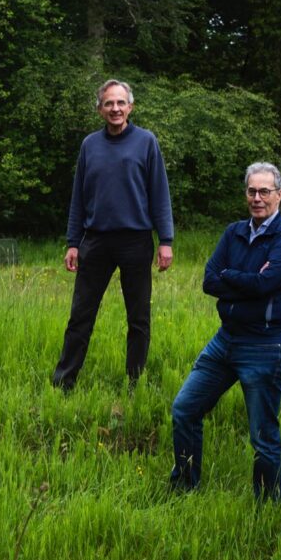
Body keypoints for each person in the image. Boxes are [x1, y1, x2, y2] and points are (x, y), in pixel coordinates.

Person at [170, 162, 281, 501]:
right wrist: (244, 280)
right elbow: (209, 280)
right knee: (185, 409)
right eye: (251, 191)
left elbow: (265, 284)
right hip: (225, 340)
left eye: (264, 192)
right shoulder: (234, 232)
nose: (257, 198)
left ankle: (267, 508)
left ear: (279, 195)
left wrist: (231, 276)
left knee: (262, 435)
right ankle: (185, 488)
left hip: (266, 344)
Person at [52, 79, 174, 392]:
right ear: (100, 109)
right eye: (109, 104)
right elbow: (78, 197)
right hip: (95, 241)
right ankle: (64, 382)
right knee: (80, 315)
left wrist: (165, 241)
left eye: (121, 103)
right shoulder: (89, 145)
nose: (115, 109)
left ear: (130, 107)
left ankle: (135, 382)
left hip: (135, 241)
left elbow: (159, 194)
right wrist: (72, 242)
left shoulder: (146, 142)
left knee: (138, 318)